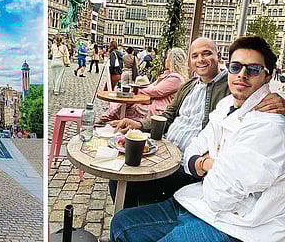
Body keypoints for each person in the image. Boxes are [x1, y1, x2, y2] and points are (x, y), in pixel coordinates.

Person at [110, 36, 285, 242]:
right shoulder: (206, 93)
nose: (242, 75)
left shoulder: (263, 118)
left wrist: (204, 165)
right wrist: (140, 125)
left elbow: (220, 195)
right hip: (186, 177)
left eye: (253, 69)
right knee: (120, 218)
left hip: (235, 223)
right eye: (236, 67)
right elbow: (172, 117)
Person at [101, 48, 188, 123]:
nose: (165, 60)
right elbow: (152, 87)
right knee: (125, 105)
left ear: (172, 61)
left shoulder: (176, 78)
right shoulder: (168, 75)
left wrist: (139, 91)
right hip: (151, 103)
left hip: (157, 109)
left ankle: (110, 120)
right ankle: (110, 119)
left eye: (167, 58)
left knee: (128, 107)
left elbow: (156, 91)